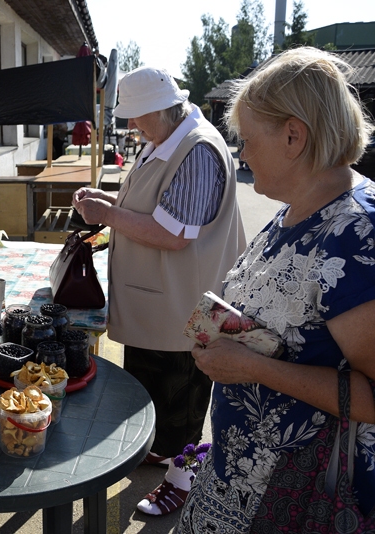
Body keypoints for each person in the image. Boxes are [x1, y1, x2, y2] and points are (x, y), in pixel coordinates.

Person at [177, 47, 375, 533]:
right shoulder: (291, 210)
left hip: (302, 498)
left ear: (293, 135)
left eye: (246, 139)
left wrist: (253, 368)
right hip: (239, 483)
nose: (241, 154)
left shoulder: (356, 234)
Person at [72, 66, 247, 516]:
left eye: (136, 116)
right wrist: (109, 203)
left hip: (182, 306)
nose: (132, 126)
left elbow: (174, 233)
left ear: (160, 109)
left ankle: (182, 477)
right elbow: (153, 207)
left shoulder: (198, 149)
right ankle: (161, 450)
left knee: (183, 396)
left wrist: (105, 215)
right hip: (159, 301)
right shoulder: (167, 139)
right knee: (153, 390)